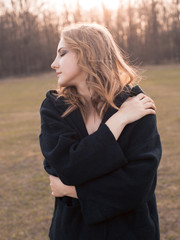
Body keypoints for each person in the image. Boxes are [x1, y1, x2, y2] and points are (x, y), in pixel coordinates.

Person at [39, 23, 162, 240]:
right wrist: (120, 119)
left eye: (62, 53)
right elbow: (67, 167)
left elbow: (136, 188)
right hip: (73, 232)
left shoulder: (138, 105)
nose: (53, 63)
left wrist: (72, 190)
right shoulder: (54, 108)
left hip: (130, 232)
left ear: (88, 52)